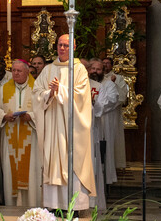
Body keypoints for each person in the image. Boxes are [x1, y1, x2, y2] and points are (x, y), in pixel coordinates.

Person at [34, 34, 96, 211]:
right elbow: (37, 92)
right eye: (60, 45)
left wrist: (59, 89)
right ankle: (53, 205)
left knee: (72, 158)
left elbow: (81, 96)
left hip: (71, 126)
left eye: (66, 45)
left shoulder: (79, 70)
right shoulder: (48, 69)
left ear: (74, 47)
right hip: (53, 125)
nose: (62, 48)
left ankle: (74, 207)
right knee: (52, 159)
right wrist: (49, 93)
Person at [0, 60, 40, 207]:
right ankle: (12, 204)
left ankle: (33, 205)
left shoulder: (36, 88)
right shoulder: (3, 89)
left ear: (27, 71)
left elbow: (43, 111)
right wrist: (4, 116)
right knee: (10, 171)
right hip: (10, 136)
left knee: (32, 171)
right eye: (14, 70)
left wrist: (31, 116)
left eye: (19, 71)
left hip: (31, 137)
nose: (15, 73)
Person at [88, 60, 120, 210]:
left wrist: (93, 104)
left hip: (99, 125)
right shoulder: (82, 83)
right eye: (92, 68)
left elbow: (112, 101)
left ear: (104, 71)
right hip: (84, 127)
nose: (95, 71)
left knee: (97, 160)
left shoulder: (106, 85)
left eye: (98, 69)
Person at [100, 57, 128, 177]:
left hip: (112, 114)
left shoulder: (119, 78)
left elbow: (122, 97)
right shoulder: (98, 77)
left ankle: (114, 165)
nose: (105, 65)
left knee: (113, 137)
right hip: (99, 113)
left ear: (112, 65)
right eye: (103, 63)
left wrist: (113, 83)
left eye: (108, 63)